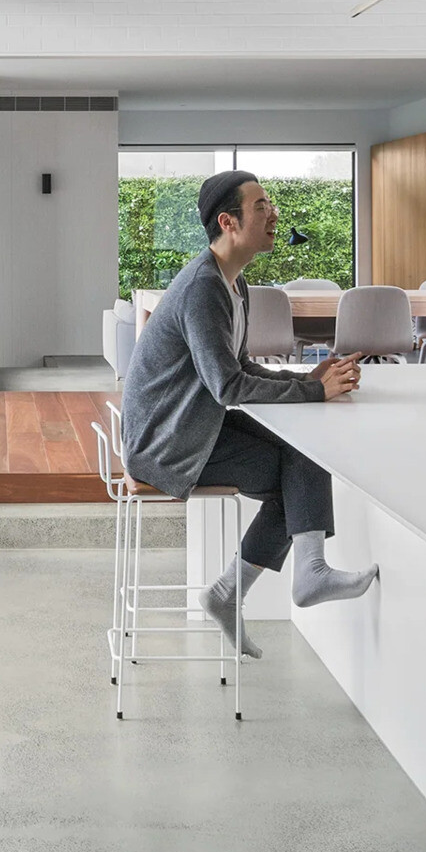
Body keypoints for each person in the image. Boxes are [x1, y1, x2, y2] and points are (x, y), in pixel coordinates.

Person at [120, 170, 377, 658]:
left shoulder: (236, 286)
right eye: (261, 206)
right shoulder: (203, 289)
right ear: (228, 222)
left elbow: (238, 367)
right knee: (293, 464)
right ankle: (298, 575)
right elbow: (228, 386)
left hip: (193, 423)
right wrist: (313, 393)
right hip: (167, 442)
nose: (274, 213)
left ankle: (250, 587)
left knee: (298, 449)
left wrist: (307, 381)